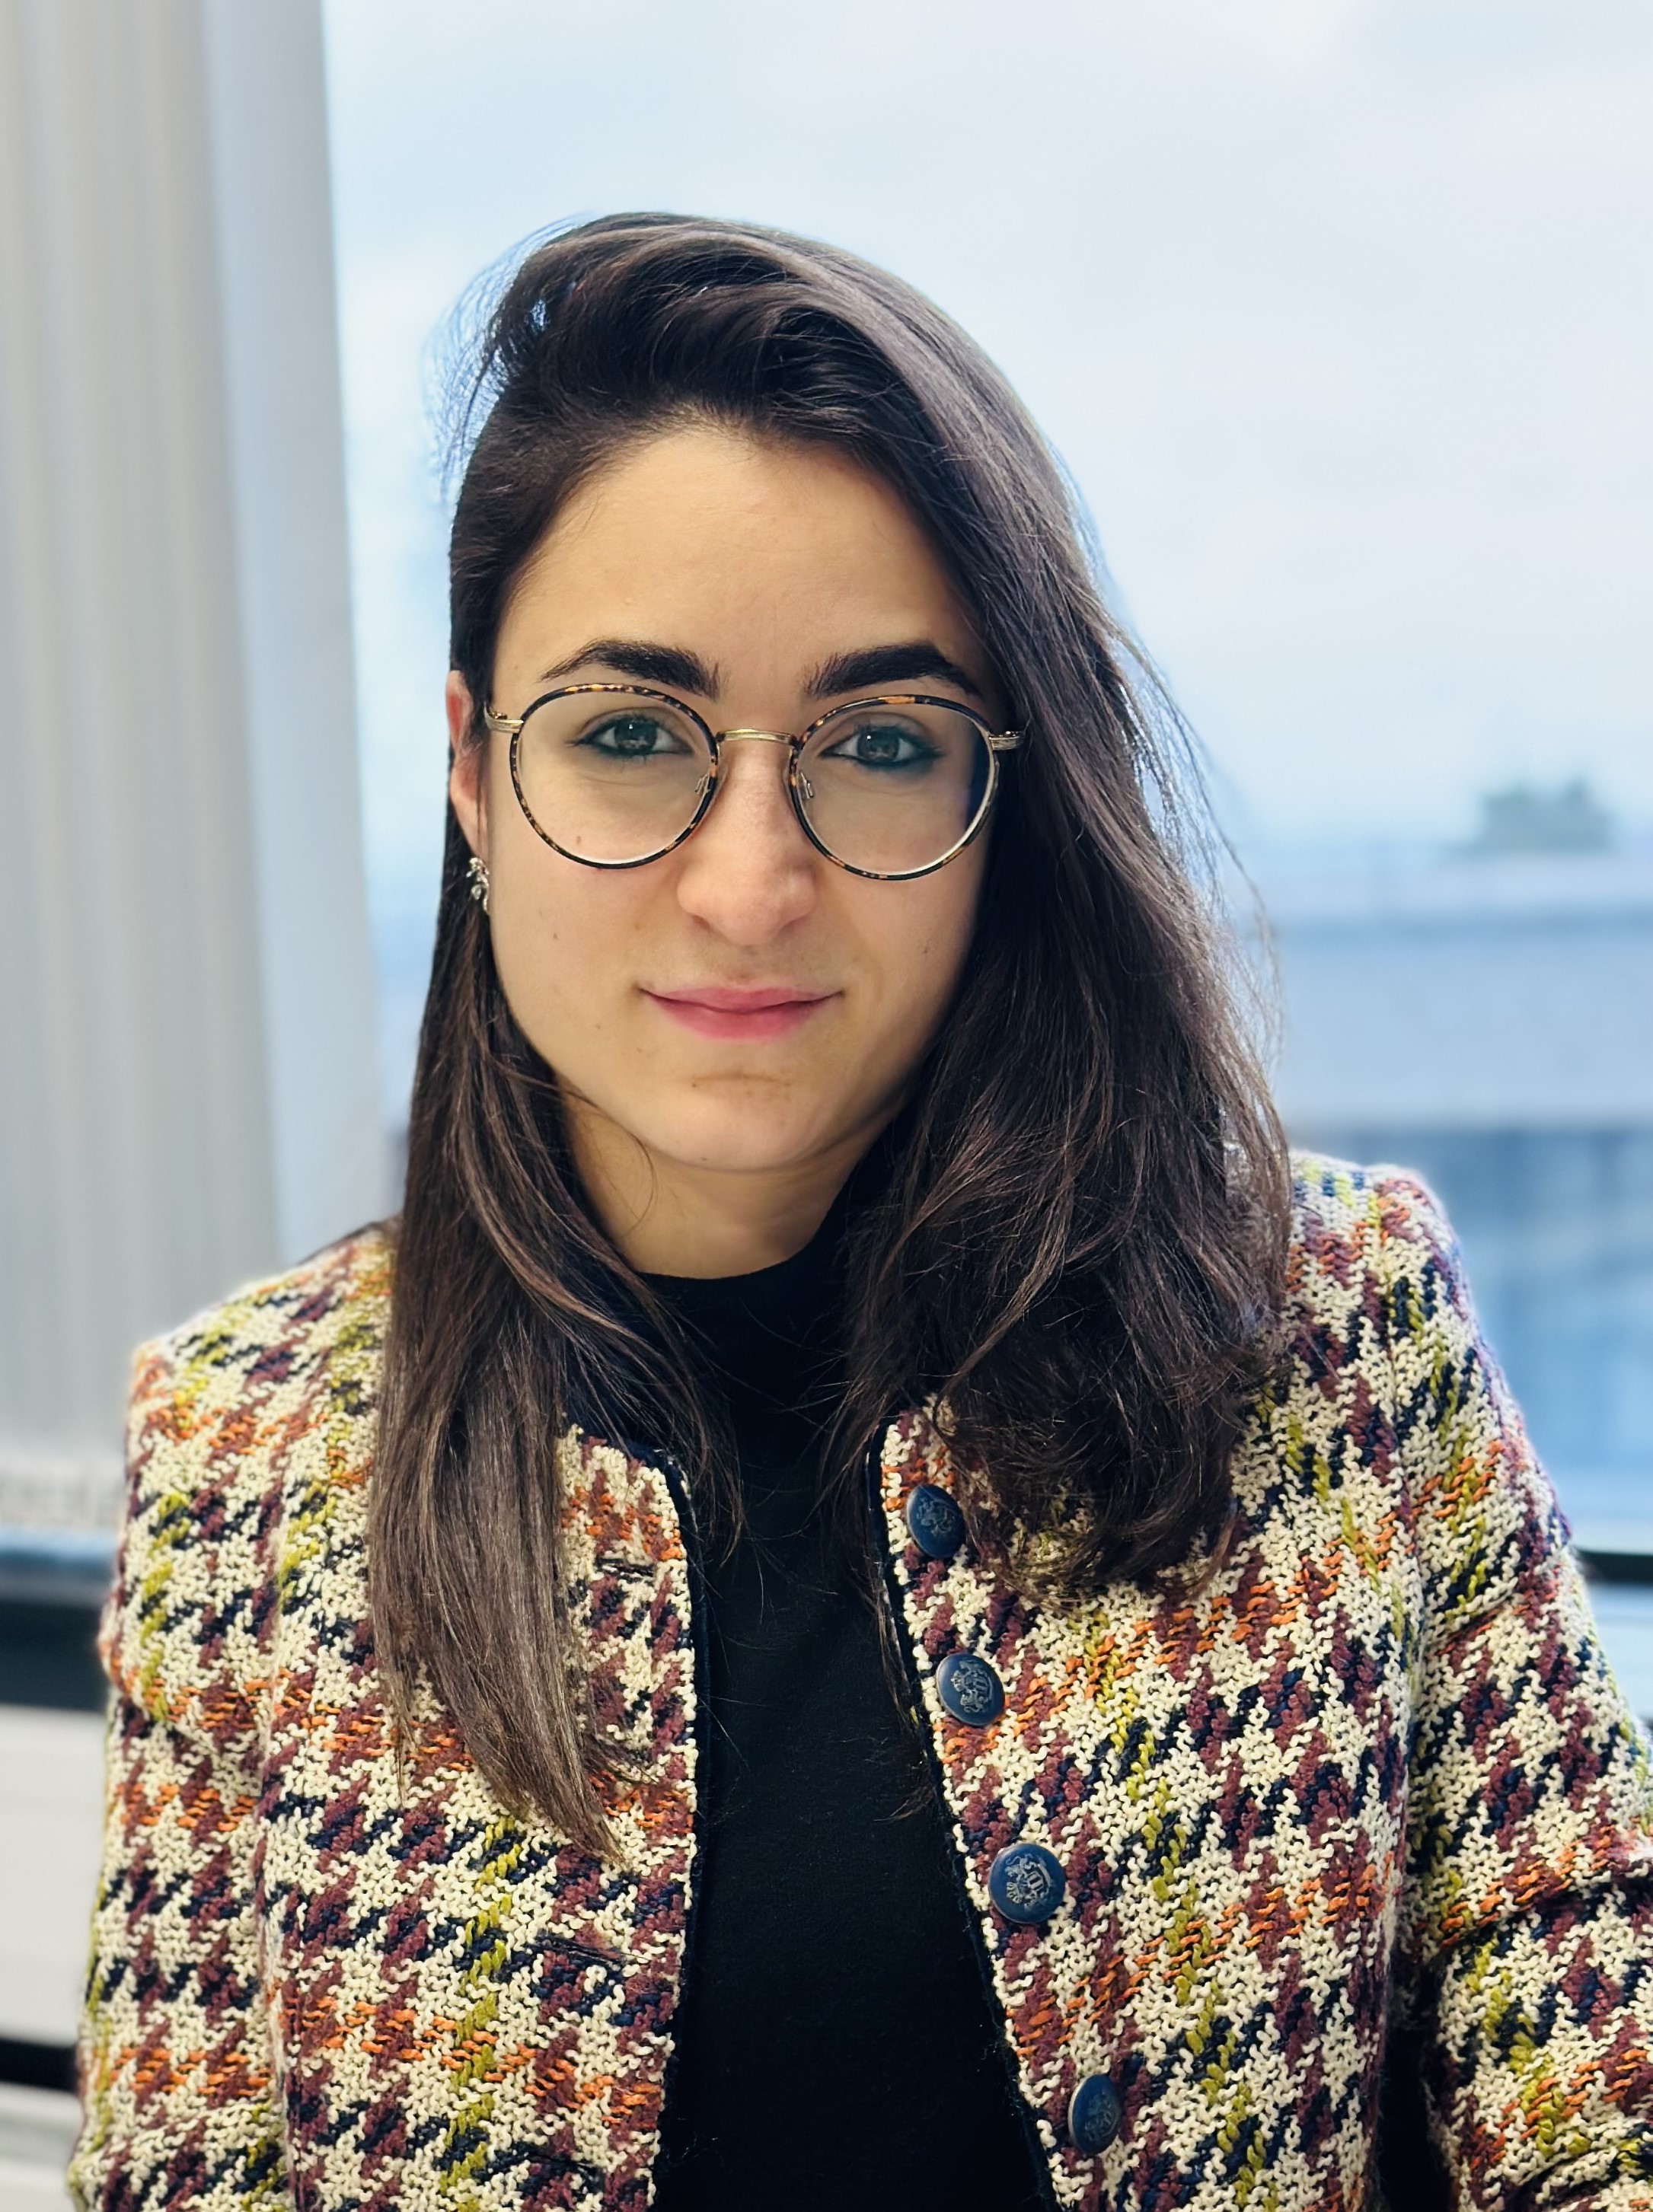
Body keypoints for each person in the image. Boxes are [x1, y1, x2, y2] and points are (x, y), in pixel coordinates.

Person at [70, 214, 1652, 2212]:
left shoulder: (1332, 1325)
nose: (746, 887)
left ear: (1011, 800)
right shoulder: (251, 1449)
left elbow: (1607, 2099)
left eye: (881, 746)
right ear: (473, 776)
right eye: (630, 734)